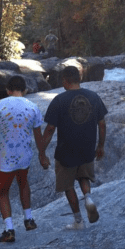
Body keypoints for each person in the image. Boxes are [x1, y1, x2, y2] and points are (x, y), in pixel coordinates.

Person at [39, 66, 107, 230]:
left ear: (65, 81)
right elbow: (102, 124)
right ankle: (88, 198)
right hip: (87, 148)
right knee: (83, 177)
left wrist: (42, 152)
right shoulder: (94, 97)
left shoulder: (59, 100)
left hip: (66, 151)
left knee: (68, 186)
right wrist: (100, 146)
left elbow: (50, 129)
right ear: (79, 78)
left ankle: (79, 221)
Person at [0, 75, 44, 243]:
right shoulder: (33, 107)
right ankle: (29, 219)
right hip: (24, 156)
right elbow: (38, 135)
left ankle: (9, 230)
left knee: (2, 192)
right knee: (23, 183)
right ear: (25, 90)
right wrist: (42, 155)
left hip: (4, 157)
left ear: (8, 90)